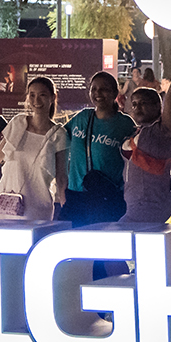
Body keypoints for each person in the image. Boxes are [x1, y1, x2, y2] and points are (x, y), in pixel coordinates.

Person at [0, 76, 68, 221]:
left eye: (42, 95)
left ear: (52, 97)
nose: (36, 101)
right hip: (6, 203)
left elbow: (61, 177)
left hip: (36, 208)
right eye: (32, 95)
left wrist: (66, 206)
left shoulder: (59, 134)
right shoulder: (18, 122)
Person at [120, 32, 171, 224]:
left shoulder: (163, 132)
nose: (137, 107)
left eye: (144, 103)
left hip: (149, 211)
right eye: (135, 103)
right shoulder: (138, 131)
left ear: (158, 108)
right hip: (135, 209)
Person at [63, 69, 135, 227]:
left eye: (104, 89)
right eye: (94, 89)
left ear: (115, 92)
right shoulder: (82, 117)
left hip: (107, 196)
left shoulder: (125, 124)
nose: (98, 93)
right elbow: (58, 138)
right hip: (76, 195)